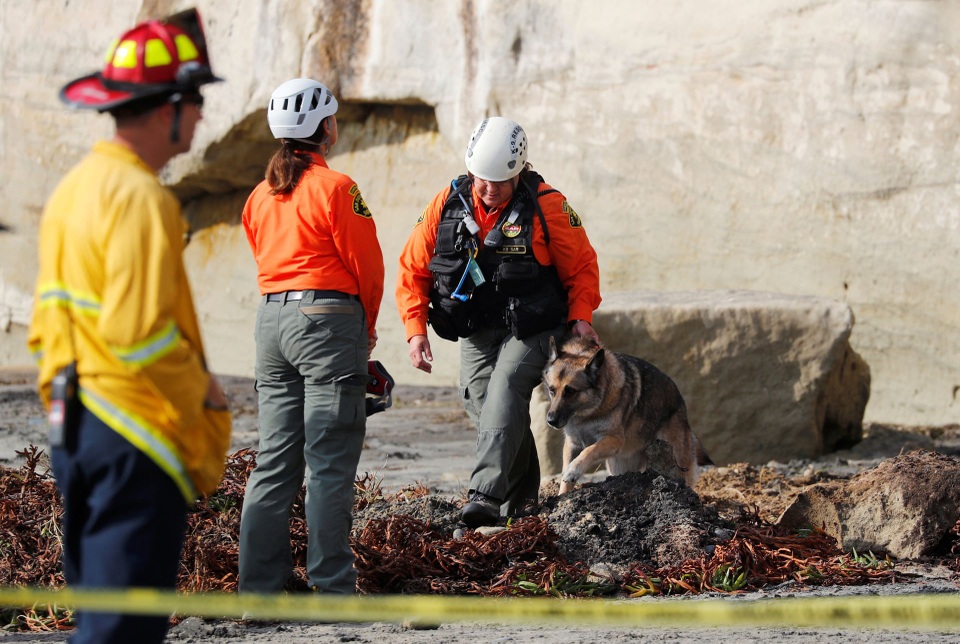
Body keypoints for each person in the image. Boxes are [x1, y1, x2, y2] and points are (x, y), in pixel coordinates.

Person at [26, 9, 231, 643]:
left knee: (100, 613)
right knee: (123, 630)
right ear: (165, 107)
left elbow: (47, 324)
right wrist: (202, 397)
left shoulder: (76, 188)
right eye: (194, 100)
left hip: (78, 424)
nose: (200, 115)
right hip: (133, 432)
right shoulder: (142, 198)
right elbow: (137, 332)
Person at [396, 116, 602, 528]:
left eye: (500, 181)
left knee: (505, 386)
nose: (489, 190)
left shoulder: (549, 207)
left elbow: (581, 268)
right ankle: (521, 504)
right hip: (477, 326)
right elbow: (412, 270)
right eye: (481, 180)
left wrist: (580, 318)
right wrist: (415, 329)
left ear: (520, 171)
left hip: (534, 327)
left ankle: (484, 497)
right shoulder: (446, 204)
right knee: (481, 401)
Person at [238, 78, 385, 594]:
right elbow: (366, 266)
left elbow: (263, 259)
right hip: (326, 321)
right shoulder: (338, 188)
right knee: (329, 460)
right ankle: (333, 588)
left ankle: (258, 589)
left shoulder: (260, 195)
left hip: (271, 323)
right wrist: (365, 332)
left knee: (275, 460)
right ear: (325, 128)